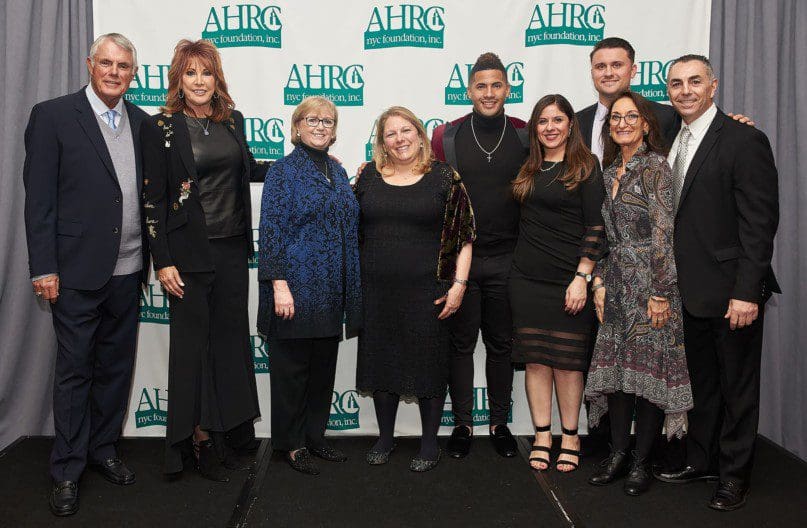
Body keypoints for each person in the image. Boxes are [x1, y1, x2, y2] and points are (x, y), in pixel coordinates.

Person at [23, 33, 148, 516]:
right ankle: (67, 469)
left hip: (129, 270)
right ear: (90, 64)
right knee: (75, 372)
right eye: (107, 63)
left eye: (124, 67)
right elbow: (39, 200)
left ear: (132, 74)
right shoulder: (53, 115)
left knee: (115, 369)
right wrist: (44, 267)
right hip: (74, 272)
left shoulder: (141, 122)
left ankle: (103, 451)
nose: (115, 72)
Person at [655, 55, 779, 511]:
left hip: (732, 293)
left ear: (714, 86)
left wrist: (748, 291)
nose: (684, 90)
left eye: (694, 81)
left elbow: (759, 223)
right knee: (701, 386)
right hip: (685, 292)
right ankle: (701, 459)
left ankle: (734, 475)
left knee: (737, 389)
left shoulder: (744, 140)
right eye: (675, 84)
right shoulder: (668, 135)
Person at [140, 39, 262, 481]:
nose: (198, 81)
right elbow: (151, 200)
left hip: (231, 251)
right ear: (178, 78)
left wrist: (309, 161)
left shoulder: (234, 122)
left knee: (229, 344)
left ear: (217, 79)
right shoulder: (162, 128)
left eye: (206, 73)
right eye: (190, 73)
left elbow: (249, 169)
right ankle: (195, 441)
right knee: (193, 351)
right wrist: (163, 260)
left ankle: (228, 431)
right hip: (187, 257)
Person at [584, 91, 693, 496]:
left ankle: (642, 462)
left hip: (652, 287)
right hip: (616, 288)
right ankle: (618, 454)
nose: (622, 123)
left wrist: (661, 292)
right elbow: (609, 241)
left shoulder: (655, 169)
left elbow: (664, 234)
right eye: (615, 117)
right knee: (616, 377)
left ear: (646, 124)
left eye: (631, 116)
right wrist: (599, 281)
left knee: (648, 378)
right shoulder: (610, 172)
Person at [355, 107, 475, 472]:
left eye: (406, 130)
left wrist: (458, 286)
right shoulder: (368, 177)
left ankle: (428, 445)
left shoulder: (444, 178)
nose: (399, 139)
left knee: (428, 367)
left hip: (430, 291)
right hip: (376, 291)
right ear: (382, 142)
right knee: (382, 364)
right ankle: (385, 438)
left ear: (421, 135)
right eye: (390, 134)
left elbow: (466, 236)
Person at [431, 52, 529, 458]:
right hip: (462, 262)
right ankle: (463, 425)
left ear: (508, 89)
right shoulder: (447, 136)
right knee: (460, 345)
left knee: (502, 345)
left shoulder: (526, 134)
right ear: (468, 89)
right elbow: (425, 181)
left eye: (497, 86)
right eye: (481, 86)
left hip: (509, 258)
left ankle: (500, 422)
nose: (489, 93)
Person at [258, 96, 361, 476]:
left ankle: (316, 437)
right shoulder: (282, 172)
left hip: (331, 291)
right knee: (292, 374)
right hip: (295, 290)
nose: (320, 126)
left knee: (322, 372)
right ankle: (291, 443)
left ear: (335, 131)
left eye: (328, 121)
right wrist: (279, 285)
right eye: (313, 120)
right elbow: (270, 230)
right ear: (297, 126)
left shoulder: (336, 170)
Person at [509, 94, 605, 473]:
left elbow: (597, 227)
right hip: (526, 280)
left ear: (570, 125)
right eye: (542, 121)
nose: (550, 127)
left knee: (567, 364)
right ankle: (542, 436)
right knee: (536, 363)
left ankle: (570, 436)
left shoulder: (586, 166)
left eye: (557, 120)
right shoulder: (527, 168)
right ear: (535, 128)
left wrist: (582, 277)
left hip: (569, 281)